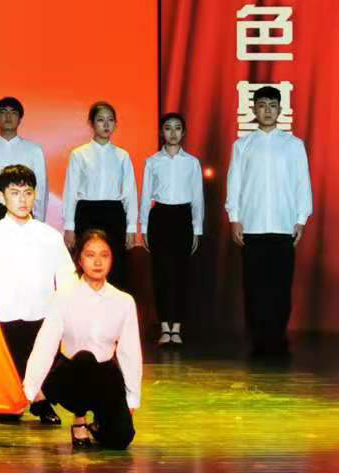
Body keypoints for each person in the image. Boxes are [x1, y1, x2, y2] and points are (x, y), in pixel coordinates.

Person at [0, 164, 75, 425]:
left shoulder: (49, 236)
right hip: (0, 319)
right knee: (6, 411)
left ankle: (39, 397)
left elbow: (67, 277)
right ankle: (17, 396)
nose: (22, 200)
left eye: (28, 193)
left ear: (35, 195)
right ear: (1, 196)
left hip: (40, 318)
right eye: (15, 193)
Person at [22, 229, 142, 450]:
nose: (97, 262)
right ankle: (79, 420)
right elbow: (46, 343)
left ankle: (98, 425)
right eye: (90, 255)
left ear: (112, 259)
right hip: (71, 374)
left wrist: (132, 398)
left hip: (105, 375)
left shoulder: (123, 301)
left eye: (104, 255)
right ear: (79, 259)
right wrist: (30, 387)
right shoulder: (64, 296)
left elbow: (130, 352)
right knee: (85, 358)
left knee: (120, 439)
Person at [226, 86, 313, 357]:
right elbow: (234, 183)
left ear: (280, 109)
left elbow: (302, 183)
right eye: (262, 105)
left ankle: (277, 336)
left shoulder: (293, 145)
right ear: (254, 109)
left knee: (280, 286)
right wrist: (234, 218)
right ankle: (258, 339)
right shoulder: (242, 145)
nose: (267, 110)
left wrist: (300, 219)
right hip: (252, 226)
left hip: (283, 224)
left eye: (272, 105)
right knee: (254, 287)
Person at [140, 112, 204, 347]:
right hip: (160, 217)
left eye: (178, 128)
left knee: (180, 275)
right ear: (161, 132)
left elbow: (197, 197)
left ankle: (177, 328)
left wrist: (197, 228)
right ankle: (164, 328)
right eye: (168, 128)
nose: (173, 133)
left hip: (183, 218)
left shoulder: (192, 162)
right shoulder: (152, 161)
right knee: (161, 274)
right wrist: (143, 227)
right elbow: (146, 195)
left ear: (183, 132)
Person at [62, 101, 139, 291]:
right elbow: (70, 191)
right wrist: (69, 226)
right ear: (91, 123)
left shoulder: (122, 156)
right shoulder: (79, 154)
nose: (106, 125)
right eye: (100, 120)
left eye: (110, 120)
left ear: (115, 124)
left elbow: (130, 192)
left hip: (114, 213)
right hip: (86, 212)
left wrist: (131, 227)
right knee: (86, 263)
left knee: (115, 265)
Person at [0, 97, 49, 225]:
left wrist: (39, 221)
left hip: (23, 211)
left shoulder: (34, 150)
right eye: (3, 112)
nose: (8, 116)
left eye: (13, 112)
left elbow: (41, 188)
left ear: (20, 119)